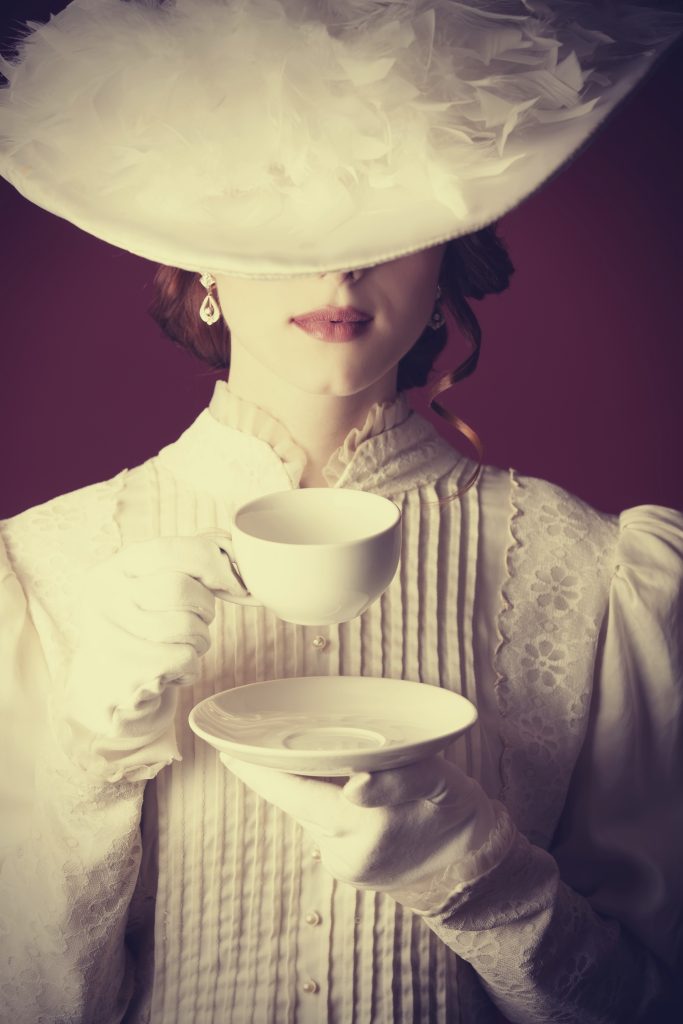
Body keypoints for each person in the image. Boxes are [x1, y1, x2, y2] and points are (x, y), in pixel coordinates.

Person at [1, 2, 682, 1022]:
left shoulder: (595, 572)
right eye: (280, 205)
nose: (341, 262)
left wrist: (475, 872)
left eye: (385, 207)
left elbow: (647, 1000)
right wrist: (89, 760)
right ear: (199, 268)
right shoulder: (44, 569)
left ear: (447, 246)